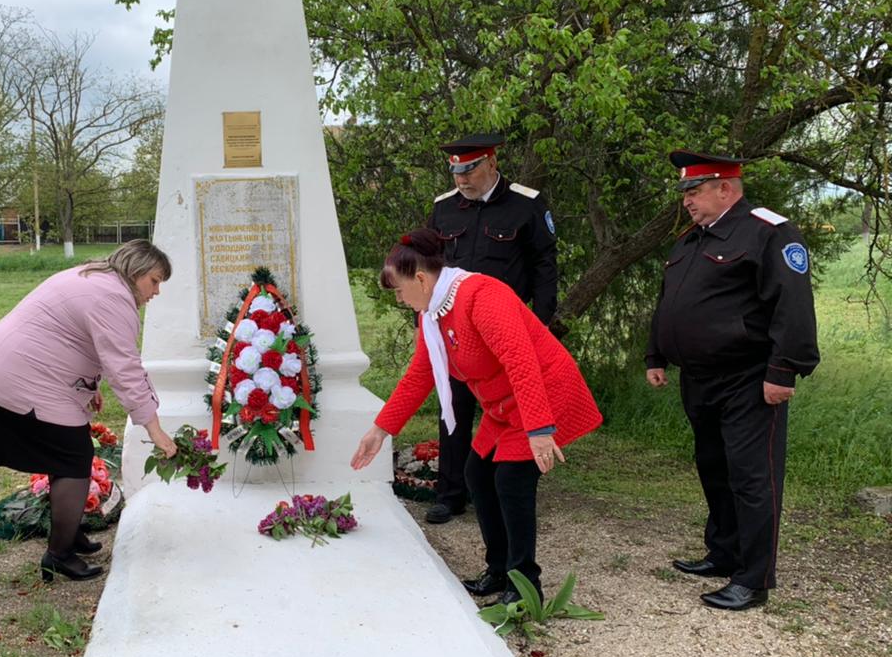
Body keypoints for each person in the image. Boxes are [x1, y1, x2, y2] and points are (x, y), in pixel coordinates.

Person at [351, 229, 601, 605]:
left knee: (511, 481)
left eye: (399, 291)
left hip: (542, 395)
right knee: (477, 473)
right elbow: (419, 376)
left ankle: (525, 585)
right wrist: (380, 430)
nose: (400, 300)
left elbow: (520, 361)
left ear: (421, 279)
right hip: (503, 406)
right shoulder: (433, 314)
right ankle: (498, 570)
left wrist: (539, 429)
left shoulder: (481, 295)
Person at [646, 151, 819, 611]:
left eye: (694, 190)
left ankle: (753, 578)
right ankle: (723, 552)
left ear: (725, 188)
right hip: (700, 378)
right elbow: (669, 302)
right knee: (714, 469)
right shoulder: (690, 240)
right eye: (684, 192)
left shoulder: (768, 232)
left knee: (752, 477)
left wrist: (783, 371)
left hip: (748, 378)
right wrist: (655, 353)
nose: (686, 200)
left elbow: (793, 305)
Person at [0, 239, 179, 583]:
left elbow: (73, 338)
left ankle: (68, 530)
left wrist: (89, 388)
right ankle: (59, 554)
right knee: (73, 458)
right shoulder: (113, 298)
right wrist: (154, 429)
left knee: (67, 455)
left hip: (9, 368)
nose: (156, 291)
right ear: (136, 271)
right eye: (154, 281)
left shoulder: (94, 277)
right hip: (20, 377)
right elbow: (124, 368)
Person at [425, 134, 558, 525]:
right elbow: (431, 266)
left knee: (507, 410)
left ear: (492, 163)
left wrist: (541, 323)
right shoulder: (444, 208)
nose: (462, 180)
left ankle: (505, 482)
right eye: (456, 173)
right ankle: (451, 493)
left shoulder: (525, 205)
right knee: (453, 406)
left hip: (505, 332)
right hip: (455, 330)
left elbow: (544, 267)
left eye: (469, 171)